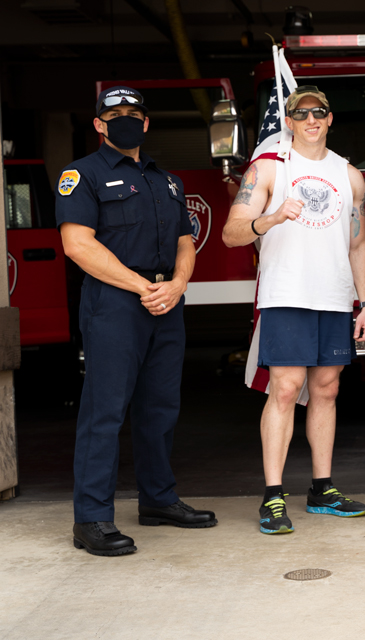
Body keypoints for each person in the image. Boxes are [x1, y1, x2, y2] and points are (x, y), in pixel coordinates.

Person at [56, 86, 217, 556]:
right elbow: (77, 245)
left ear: (146, 124)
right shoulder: (81, 175)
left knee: (160, 408)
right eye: (115, 113)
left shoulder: (166, 181)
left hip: (167, 301)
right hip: (115, 303)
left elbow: (186, 240)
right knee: (104, 411)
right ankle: (91, 518)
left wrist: (178, 284)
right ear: (99, 124)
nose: (125, 120)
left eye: (134, 113)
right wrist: (140, 286)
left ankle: (159, 500)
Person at [222, 86, 365, 534]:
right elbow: (232, 233)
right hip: (287, 294)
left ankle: (322, 490)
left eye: (319, 112)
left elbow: (358, 243)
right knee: (285, 390)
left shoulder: (349, 175)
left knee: (326, 390)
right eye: (301, 113)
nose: (311, 119)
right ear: (288, 121)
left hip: (333, 296)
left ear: (330, 119)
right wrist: (271, 217)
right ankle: (273, 496)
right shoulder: (269, 167)